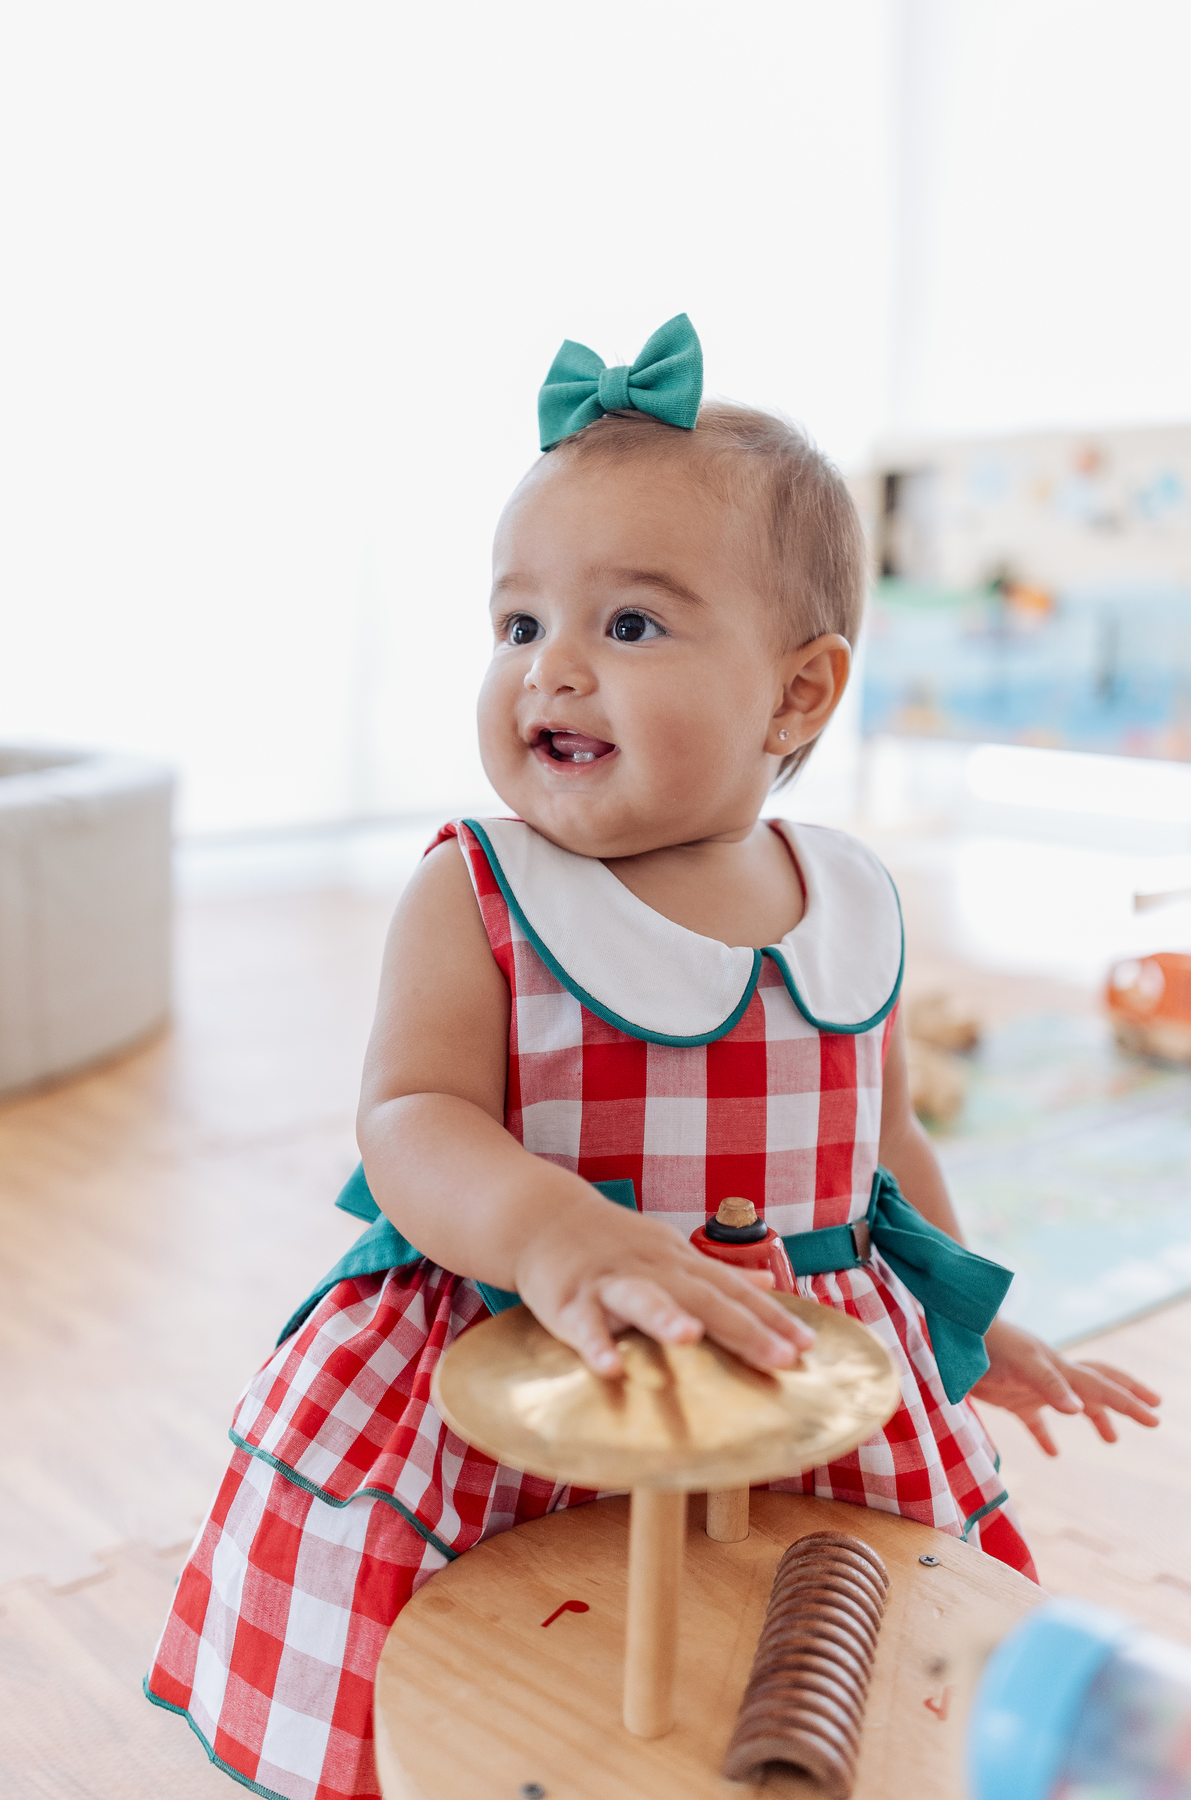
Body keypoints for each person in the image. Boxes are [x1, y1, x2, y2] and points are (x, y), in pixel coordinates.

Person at [146, 315, 1161, 1800]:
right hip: (532, 1367)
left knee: (785, 1665)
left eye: (627, 626)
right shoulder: (479, 893)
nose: (551, 670)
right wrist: (552, 1231)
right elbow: (409, 1118)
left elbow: (880, 1146)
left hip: (788, 1373)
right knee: (522, 1677)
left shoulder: (855, 901)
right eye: (517, 626)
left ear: (800, 693)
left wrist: (964, 1314)